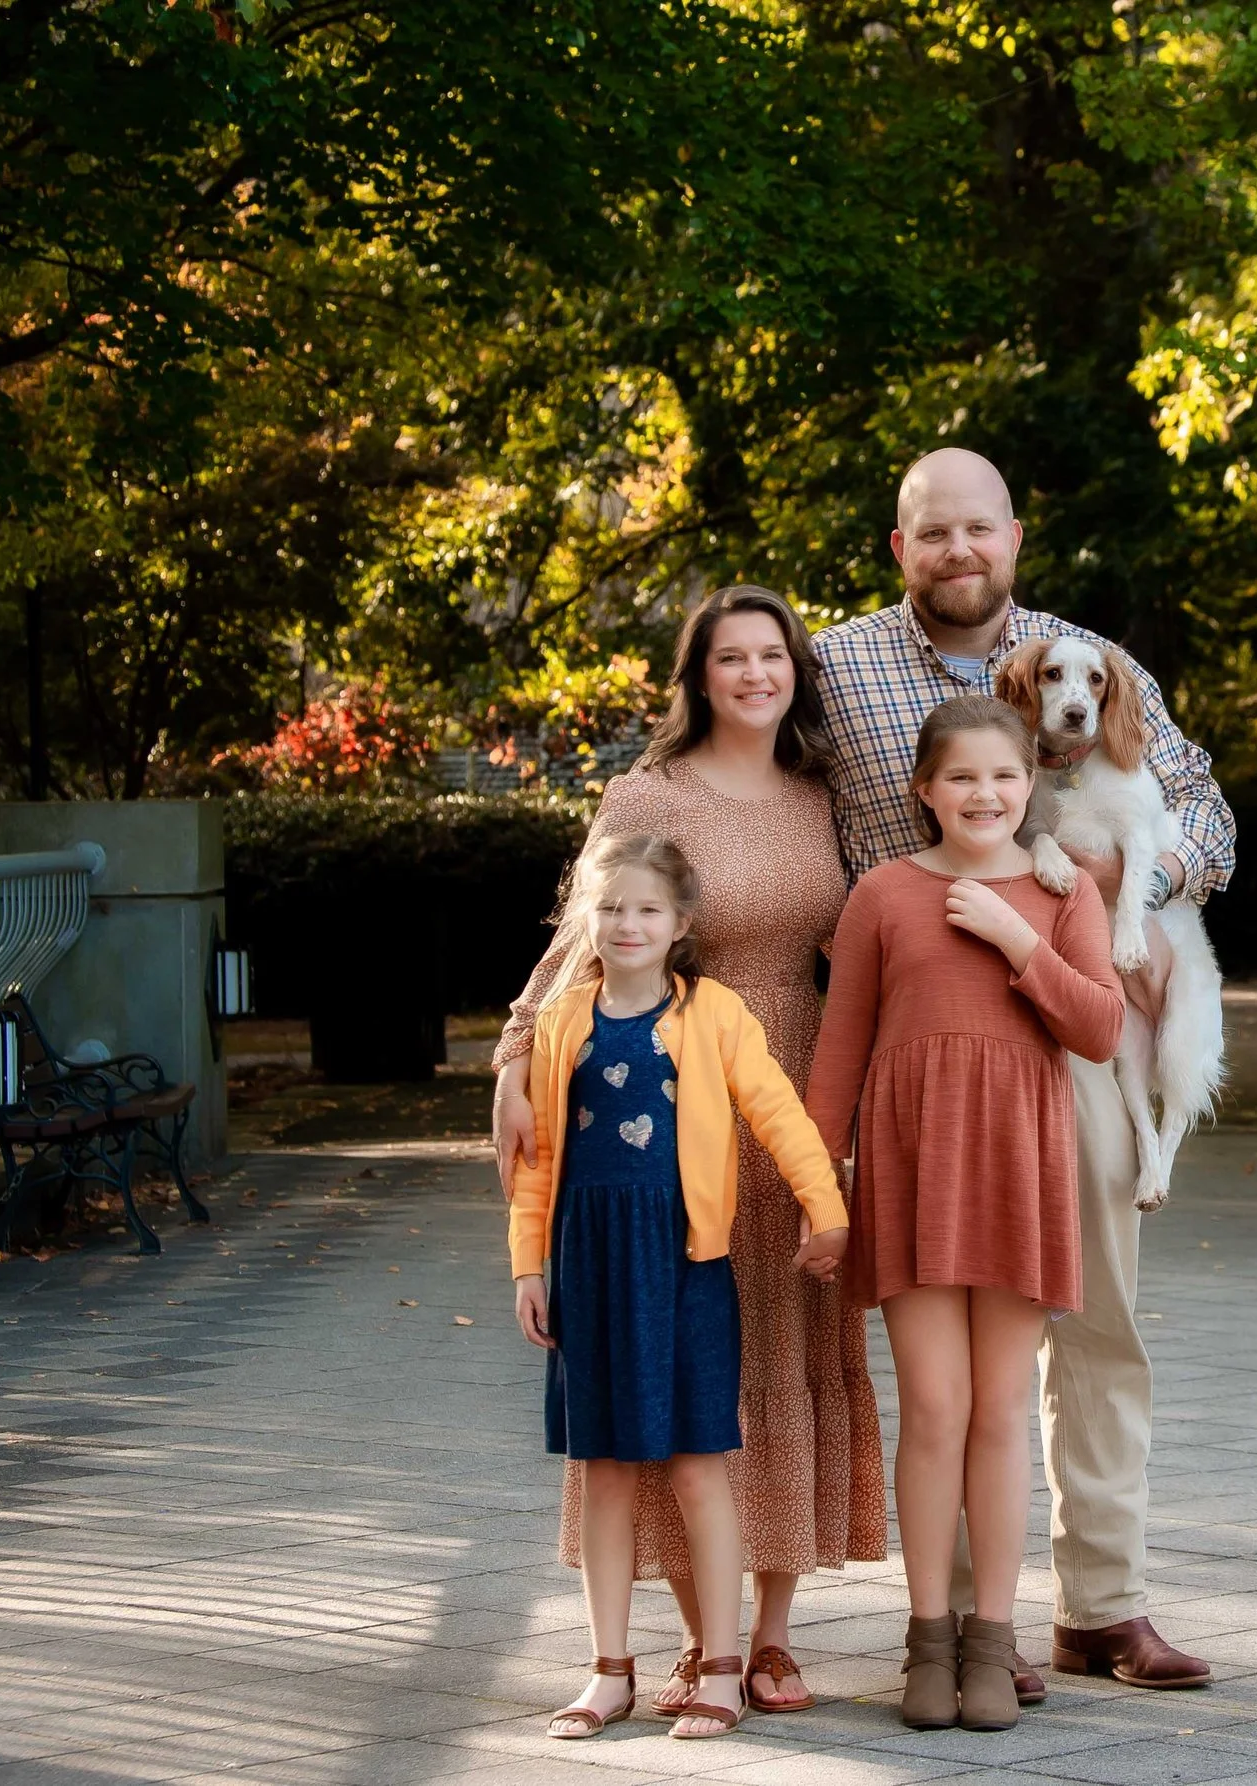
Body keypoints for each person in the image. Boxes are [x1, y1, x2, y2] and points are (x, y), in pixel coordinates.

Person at [810, 447, 1231, 1690]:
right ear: (901, 548)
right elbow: (710, 803)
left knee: (1097, 1313)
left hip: (1076, 1016)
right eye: (933, 533)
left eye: (978, 530)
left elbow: (1199, 803)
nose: (958, 553)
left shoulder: (1088, 655)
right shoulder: (831, 668)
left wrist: (1124, 891)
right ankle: (954, 1623)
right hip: (922, 1045)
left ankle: (1101, 1603)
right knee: (943, 1368)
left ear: (1014, 537)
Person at [489, 586, 885, 1717]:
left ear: (795, 671)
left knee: (778, 1356)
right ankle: (682, 1639)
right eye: (731, 658)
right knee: (675, 1370)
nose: (755, 674)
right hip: (671, 1095)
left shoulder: (824, 795)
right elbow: (587, 933)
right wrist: (517, 1059)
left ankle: (764, 1637)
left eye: (773, 656)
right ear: (698, 674)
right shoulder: (645, 792)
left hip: (793, 1083)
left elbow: (861, 939)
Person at [805, 695, 1123, 1730]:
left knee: (998, 1412)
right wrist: (820, 1186)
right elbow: (840, 1048)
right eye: (961, 778)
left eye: (1003, 775)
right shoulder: (882, 896)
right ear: (922, 790)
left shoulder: (1055, 887)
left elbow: (1102, 1029)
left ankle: (994, 1639)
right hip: (911, 1169)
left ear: (1030, 783)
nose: (984, 794)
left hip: (1019, 1170)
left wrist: (1015, 940)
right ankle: (927, 1639)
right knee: (934, 1408)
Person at [508, 833, 850, 1741]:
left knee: (700, 1465)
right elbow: (537, 1160)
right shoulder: (561, 1020)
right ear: (585, 915)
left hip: (688, 1264)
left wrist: (827, 1209)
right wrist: (528, 1268)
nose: (627, 924)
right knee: (606, 1466)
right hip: (589, 1266)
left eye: (648, 910)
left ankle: (723, 1665)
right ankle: (608, 1669)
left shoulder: (715, 1013)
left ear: (681, 924)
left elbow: (778, 1111)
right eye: (610, 907)